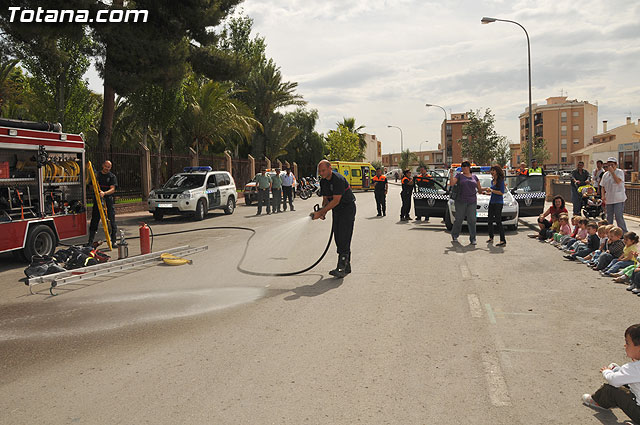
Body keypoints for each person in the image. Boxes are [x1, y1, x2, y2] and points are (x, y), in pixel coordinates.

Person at [581, 324, 640, 424]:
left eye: (627, 343)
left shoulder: (634, 368)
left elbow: (614, 380)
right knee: (627, 380)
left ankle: (597, 400)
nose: (625, 346)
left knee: (612, 390)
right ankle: (617, 370)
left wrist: (606, 372)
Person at [313, 160, 356, 278]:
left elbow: (336, 200)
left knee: (344, 236)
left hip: (347, 208)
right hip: (337, 210)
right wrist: (323, 211)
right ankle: (346, 266)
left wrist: (321, 212)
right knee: (338, 236)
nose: (321, 173)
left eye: (323, 170)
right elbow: (326, 199)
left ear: (330, 168)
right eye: (320, 171)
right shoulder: (323, 181)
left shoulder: (338, 179)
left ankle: (341, 266)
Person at [449, 160, 484, 245]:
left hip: (472, 201)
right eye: (463, 166)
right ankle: (455, 235)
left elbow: (479, 189)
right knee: (459, 219)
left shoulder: (474, 177)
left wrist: (487, 190)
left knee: (472, 220)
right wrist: (451, 174)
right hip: (461, 201)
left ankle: (473, 238)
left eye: (466, 166)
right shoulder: (459, 176)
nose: (464, 168)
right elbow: (452, 183)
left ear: (469, 167)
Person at [88, 160, 118, 246]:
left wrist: (104, 193)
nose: (107, 168)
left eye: (108, 167)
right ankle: (90, 241)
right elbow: (90, 186)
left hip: (108, 201)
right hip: (97, 201)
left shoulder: (112, 177)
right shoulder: (97, 175)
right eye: (106, 166)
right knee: (94, 220)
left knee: (111, 221)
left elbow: (112, 189)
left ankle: (113, 241)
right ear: (103, 165)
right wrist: (95, 189)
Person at [601, 157, 628, 232]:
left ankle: (623, 232)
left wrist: (613, 172)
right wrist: (603, 196)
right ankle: (608, 232)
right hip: (609, 198)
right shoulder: (605, 174)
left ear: (616, 165)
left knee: (618, 216)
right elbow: (602, 186)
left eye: (612, 165)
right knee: (609, 217)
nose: (610, 166)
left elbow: (618, 181)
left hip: (618, 198)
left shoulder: (619, 172)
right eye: (608, 165)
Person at [485, 165, 507, 246]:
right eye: (491, 170)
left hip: (498, 203)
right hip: (492, 202)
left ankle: (502, 240)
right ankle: (491, 237)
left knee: (498, 220)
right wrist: (488, 193)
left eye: (493, 170)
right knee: (489, 220)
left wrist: (492, 190)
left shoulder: (500, 181)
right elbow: (493, 192)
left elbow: (501, 192)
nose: (492, 172)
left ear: (497, 171)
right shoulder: (492, 181)